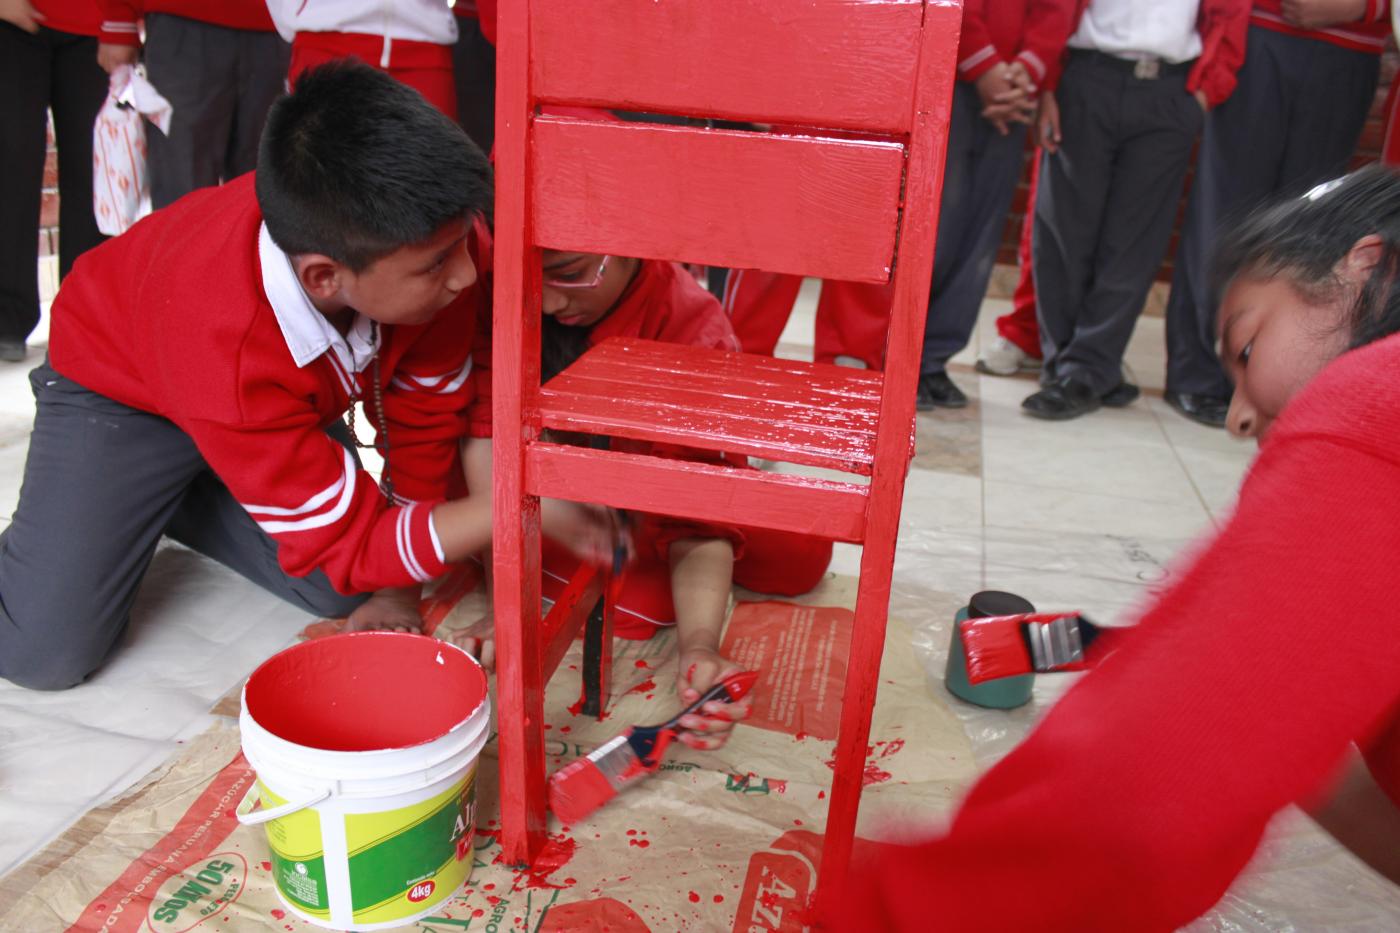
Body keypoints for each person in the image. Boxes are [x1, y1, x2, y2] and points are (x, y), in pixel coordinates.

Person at [830, 165, 1400, 930]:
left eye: (1247, 345)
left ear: (1359, 264)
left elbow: (1144, 791)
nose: (1237, 416)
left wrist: (888, 914)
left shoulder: (1372, 404)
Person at [0, 62, 611, 691]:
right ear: (325, 278)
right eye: (436, 264)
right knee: (44, 653)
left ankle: (180, 491)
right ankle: (135, 490)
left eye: (463, 245)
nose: (465, 275)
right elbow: (359, 538)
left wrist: (398, 593)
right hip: (123, 395)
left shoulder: (423, 250)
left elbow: (424, 427)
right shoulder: (226, 343)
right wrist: (511, 510)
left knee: (340, 587)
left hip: (245, 406)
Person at [468, 250, 834, 748]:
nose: (551, 302)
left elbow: (698, 512)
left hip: (639, 505)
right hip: (542, 500)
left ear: (628, 249)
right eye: (531, 279)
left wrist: (700, 646)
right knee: (634, 598)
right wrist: (503, 603)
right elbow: (489, 453)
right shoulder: (497, 290)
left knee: (802, 557)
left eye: (571, 275)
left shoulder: (694, 327)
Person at [1163, 0, 1391, 428]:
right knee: (1224, 209)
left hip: (1349, 48)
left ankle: (1281, 375)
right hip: (1259, 32)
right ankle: (1196, 372)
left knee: (1314, 226)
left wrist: (1361, 7)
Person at [1022, 0, 1249, 420]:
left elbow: (1230, 17)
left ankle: (1087, 367)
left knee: (1135, 240)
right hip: (1088, 77)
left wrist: (1203, 94)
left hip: (1169, 90)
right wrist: (1048, 84)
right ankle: (1071, 365)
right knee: (1065, 231)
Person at [917, 0, 1073, 409]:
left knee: (980, 237)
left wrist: (1028, 68)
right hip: (944, 63)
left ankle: (933, 358)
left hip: (1012, 89)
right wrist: (984, 64)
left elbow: (1057, 9)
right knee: (932, 227)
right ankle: (895, 356)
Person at [95, 0, 290, 210]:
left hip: (276, 24)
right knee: (182, 196)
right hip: (183, 20)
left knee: (266, 193)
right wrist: (119, 14)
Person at [0, 0, 108, 363]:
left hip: (95, 24)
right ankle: (6, 319)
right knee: (10, 164)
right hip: (11, 22)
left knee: (93, 174)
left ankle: (84, 319)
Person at [266, 0, 458, 116]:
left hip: (426, 50)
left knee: (432, 175)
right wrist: (299, 17)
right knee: (314, 176)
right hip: (326, 45)